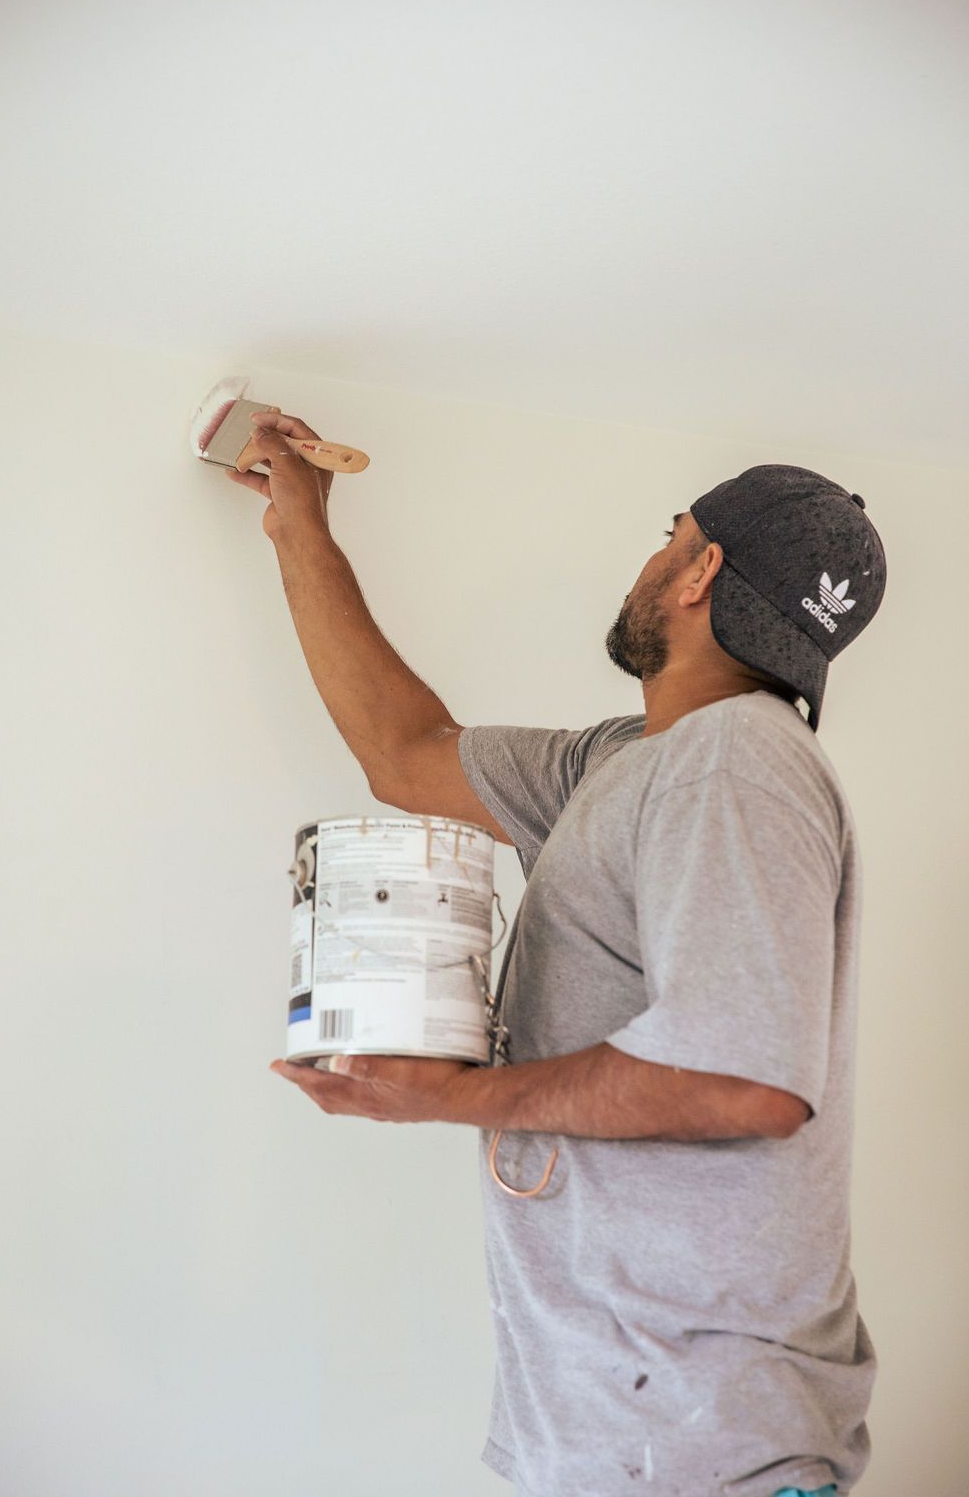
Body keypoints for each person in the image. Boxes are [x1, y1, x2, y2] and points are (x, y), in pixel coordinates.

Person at [229, 411, 886, 1497]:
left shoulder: (732, 762)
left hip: (695, 1445)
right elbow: (407, 753)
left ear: (697, 569)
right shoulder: (627, 763)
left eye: (666, 533)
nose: (651, 554)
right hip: (617, 1429)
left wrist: (440, 1098)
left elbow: (745, 1086)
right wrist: (300, 522)